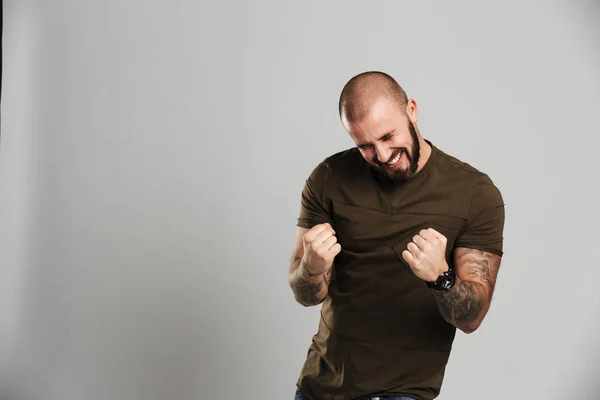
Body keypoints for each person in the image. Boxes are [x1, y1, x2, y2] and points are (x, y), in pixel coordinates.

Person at [288, 71, 505, 400]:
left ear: (412, 111)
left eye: (389, 136)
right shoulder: (328, 179)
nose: (383, 154)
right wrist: (312, 267)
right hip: (321, 386)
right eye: (365, 146)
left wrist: (441, 277)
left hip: (403, 392)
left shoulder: (475, 194)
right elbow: (306, 295)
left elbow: (471, 318)